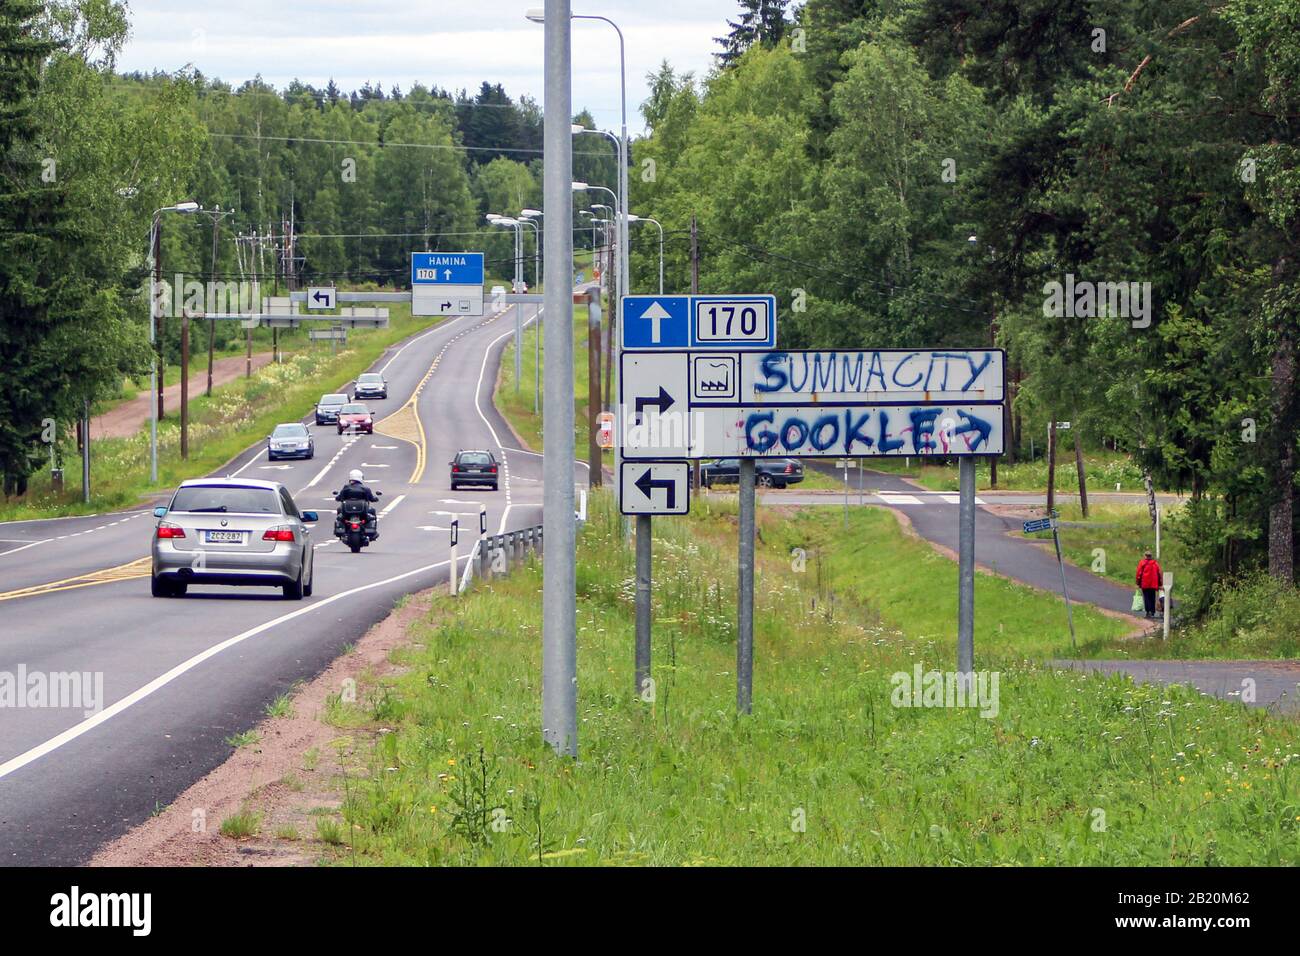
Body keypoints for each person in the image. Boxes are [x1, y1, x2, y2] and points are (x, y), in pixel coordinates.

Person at [335, 469, 380, 540]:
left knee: (339, 511)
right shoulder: (365, 488)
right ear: (360, 477)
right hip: (362, 512)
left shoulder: (346, 487)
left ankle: (341, 530)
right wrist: (375, 498)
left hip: (347, 513)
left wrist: (338, 497)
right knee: (372, 511)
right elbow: (371, 498)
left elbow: (340, 497)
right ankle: (373, 532)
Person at [1136, 549, 1162, 618]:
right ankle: (1152, 612)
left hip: (1145, 583)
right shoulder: (1155, 564)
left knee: (1146, 597)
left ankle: (1148, 612)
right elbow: (1159, 573)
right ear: (1151, 556)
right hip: (1153, 584)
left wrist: (1138, 582)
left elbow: (1139, 573)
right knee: (1152, 597)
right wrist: (1159, 583)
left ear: (1145, 556)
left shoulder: (1142, 563)